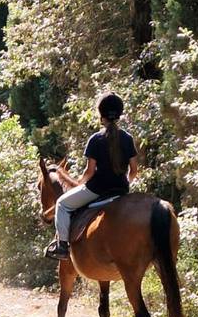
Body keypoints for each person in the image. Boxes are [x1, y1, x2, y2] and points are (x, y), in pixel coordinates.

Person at [44, 93, 139, 260]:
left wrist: (80, 183)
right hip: (121, 190)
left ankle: (62, 246)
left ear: (101, 115)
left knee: (62, 204)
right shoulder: (127, 138)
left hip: (97, 189)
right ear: (119, 114)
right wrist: (126, 183)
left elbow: (89, 171)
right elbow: (134, 170)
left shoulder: (96, 139)